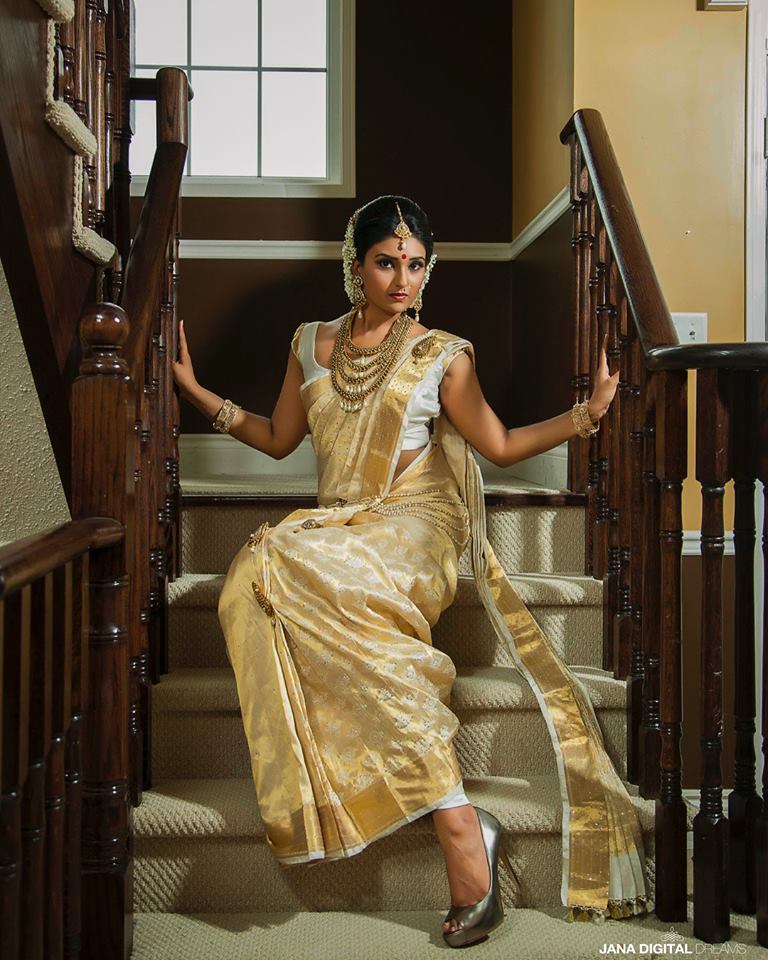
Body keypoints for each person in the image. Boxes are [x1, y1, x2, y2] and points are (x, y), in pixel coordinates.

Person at [172, 195, 650, 949]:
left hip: (419, 529)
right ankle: (428, 811)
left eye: (417, 264)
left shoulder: (443, 353)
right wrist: (199, 395)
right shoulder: (310, 344)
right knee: (256, 574)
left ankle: (457, 831)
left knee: (294, 562)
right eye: (387, 262)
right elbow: (276, 438)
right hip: (342, 533)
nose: (404, 279)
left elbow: (494, 443)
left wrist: (586, 415)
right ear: (354, 264)